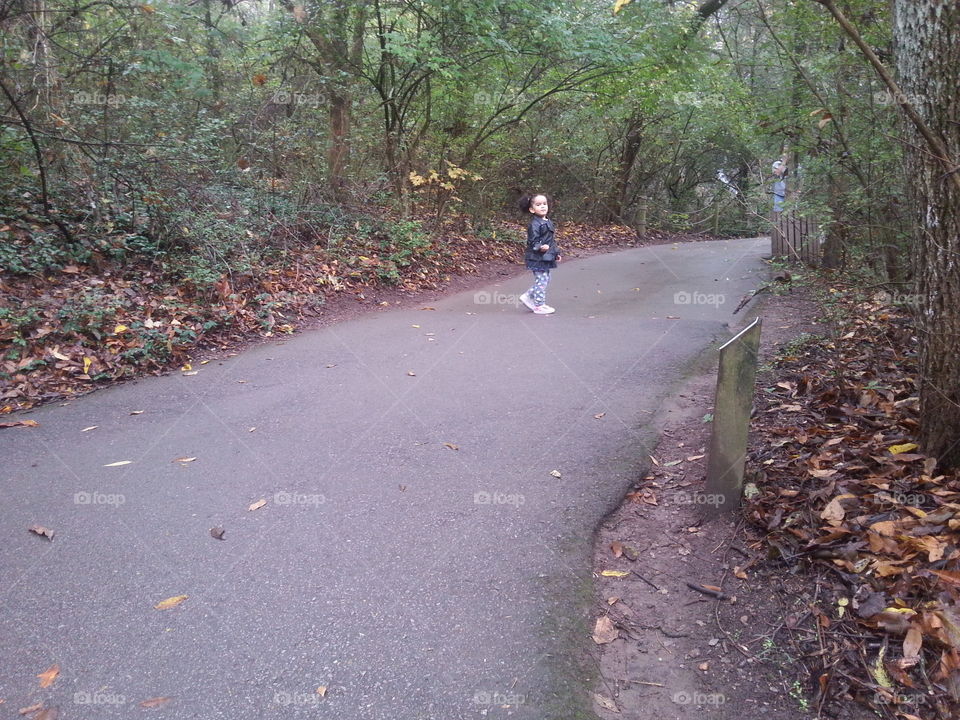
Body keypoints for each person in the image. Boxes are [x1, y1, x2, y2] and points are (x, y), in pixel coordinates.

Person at [517, 193, 561, 314]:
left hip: (546, 256)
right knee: (542, 280)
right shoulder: (534, 224)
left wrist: (556, 253)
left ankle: (527, 296)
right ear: (532, 209)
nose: (542, 206)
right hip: (537, 257)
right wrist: (540, 247)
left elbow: (550, 241)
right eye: (538, 204)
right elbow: (532, 241)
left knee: (546, 279)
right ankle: (538, 305)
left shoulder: (548, 221)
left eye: (544, 204)